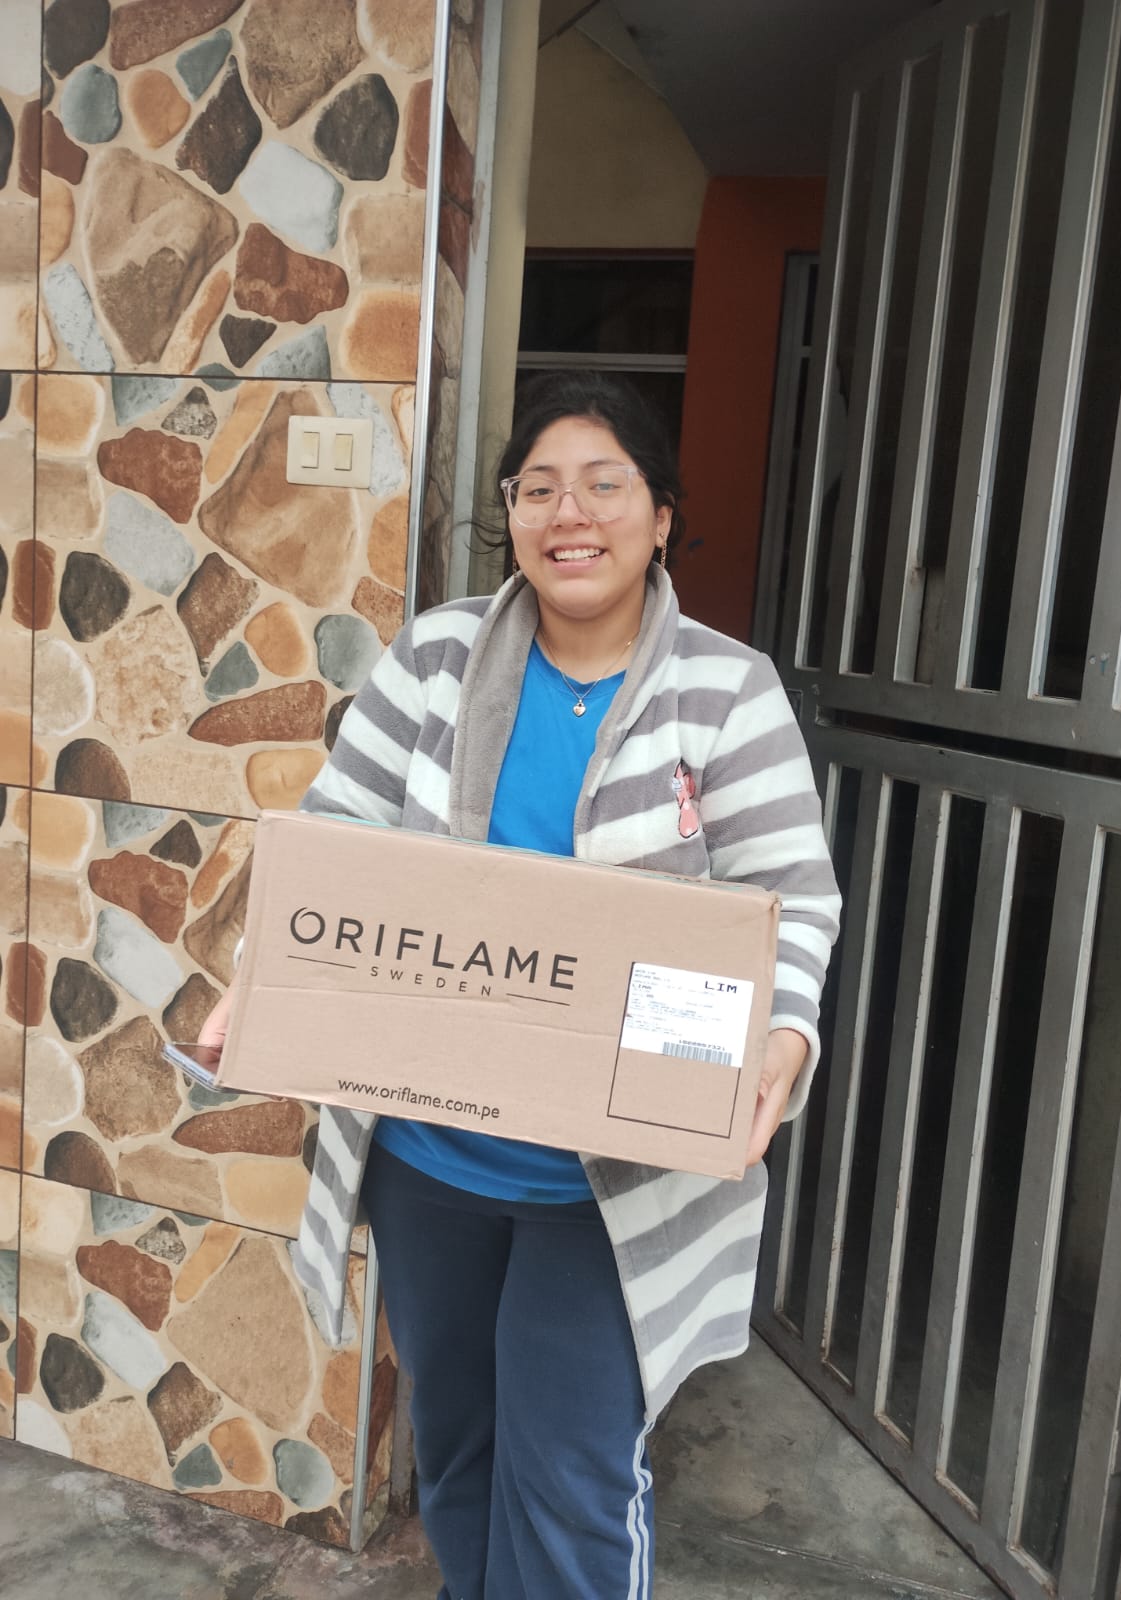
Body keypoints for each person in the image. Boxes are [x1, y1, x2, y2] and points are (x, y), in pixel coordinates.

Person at [200, 372, 841, 1599]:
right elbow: (333, 843)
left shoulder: (725, 690)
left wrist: (784, 1039)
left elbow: (791, 898)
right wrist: (267, 982)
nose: (569, 513)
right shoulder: (438, 657)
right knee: (457, 1452)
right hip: (432, 1159)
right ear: (510, 513)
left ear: (661, 515)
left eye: (604, 484)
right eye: (538, 487)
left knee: (571, 1481)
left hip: (607, 1185)